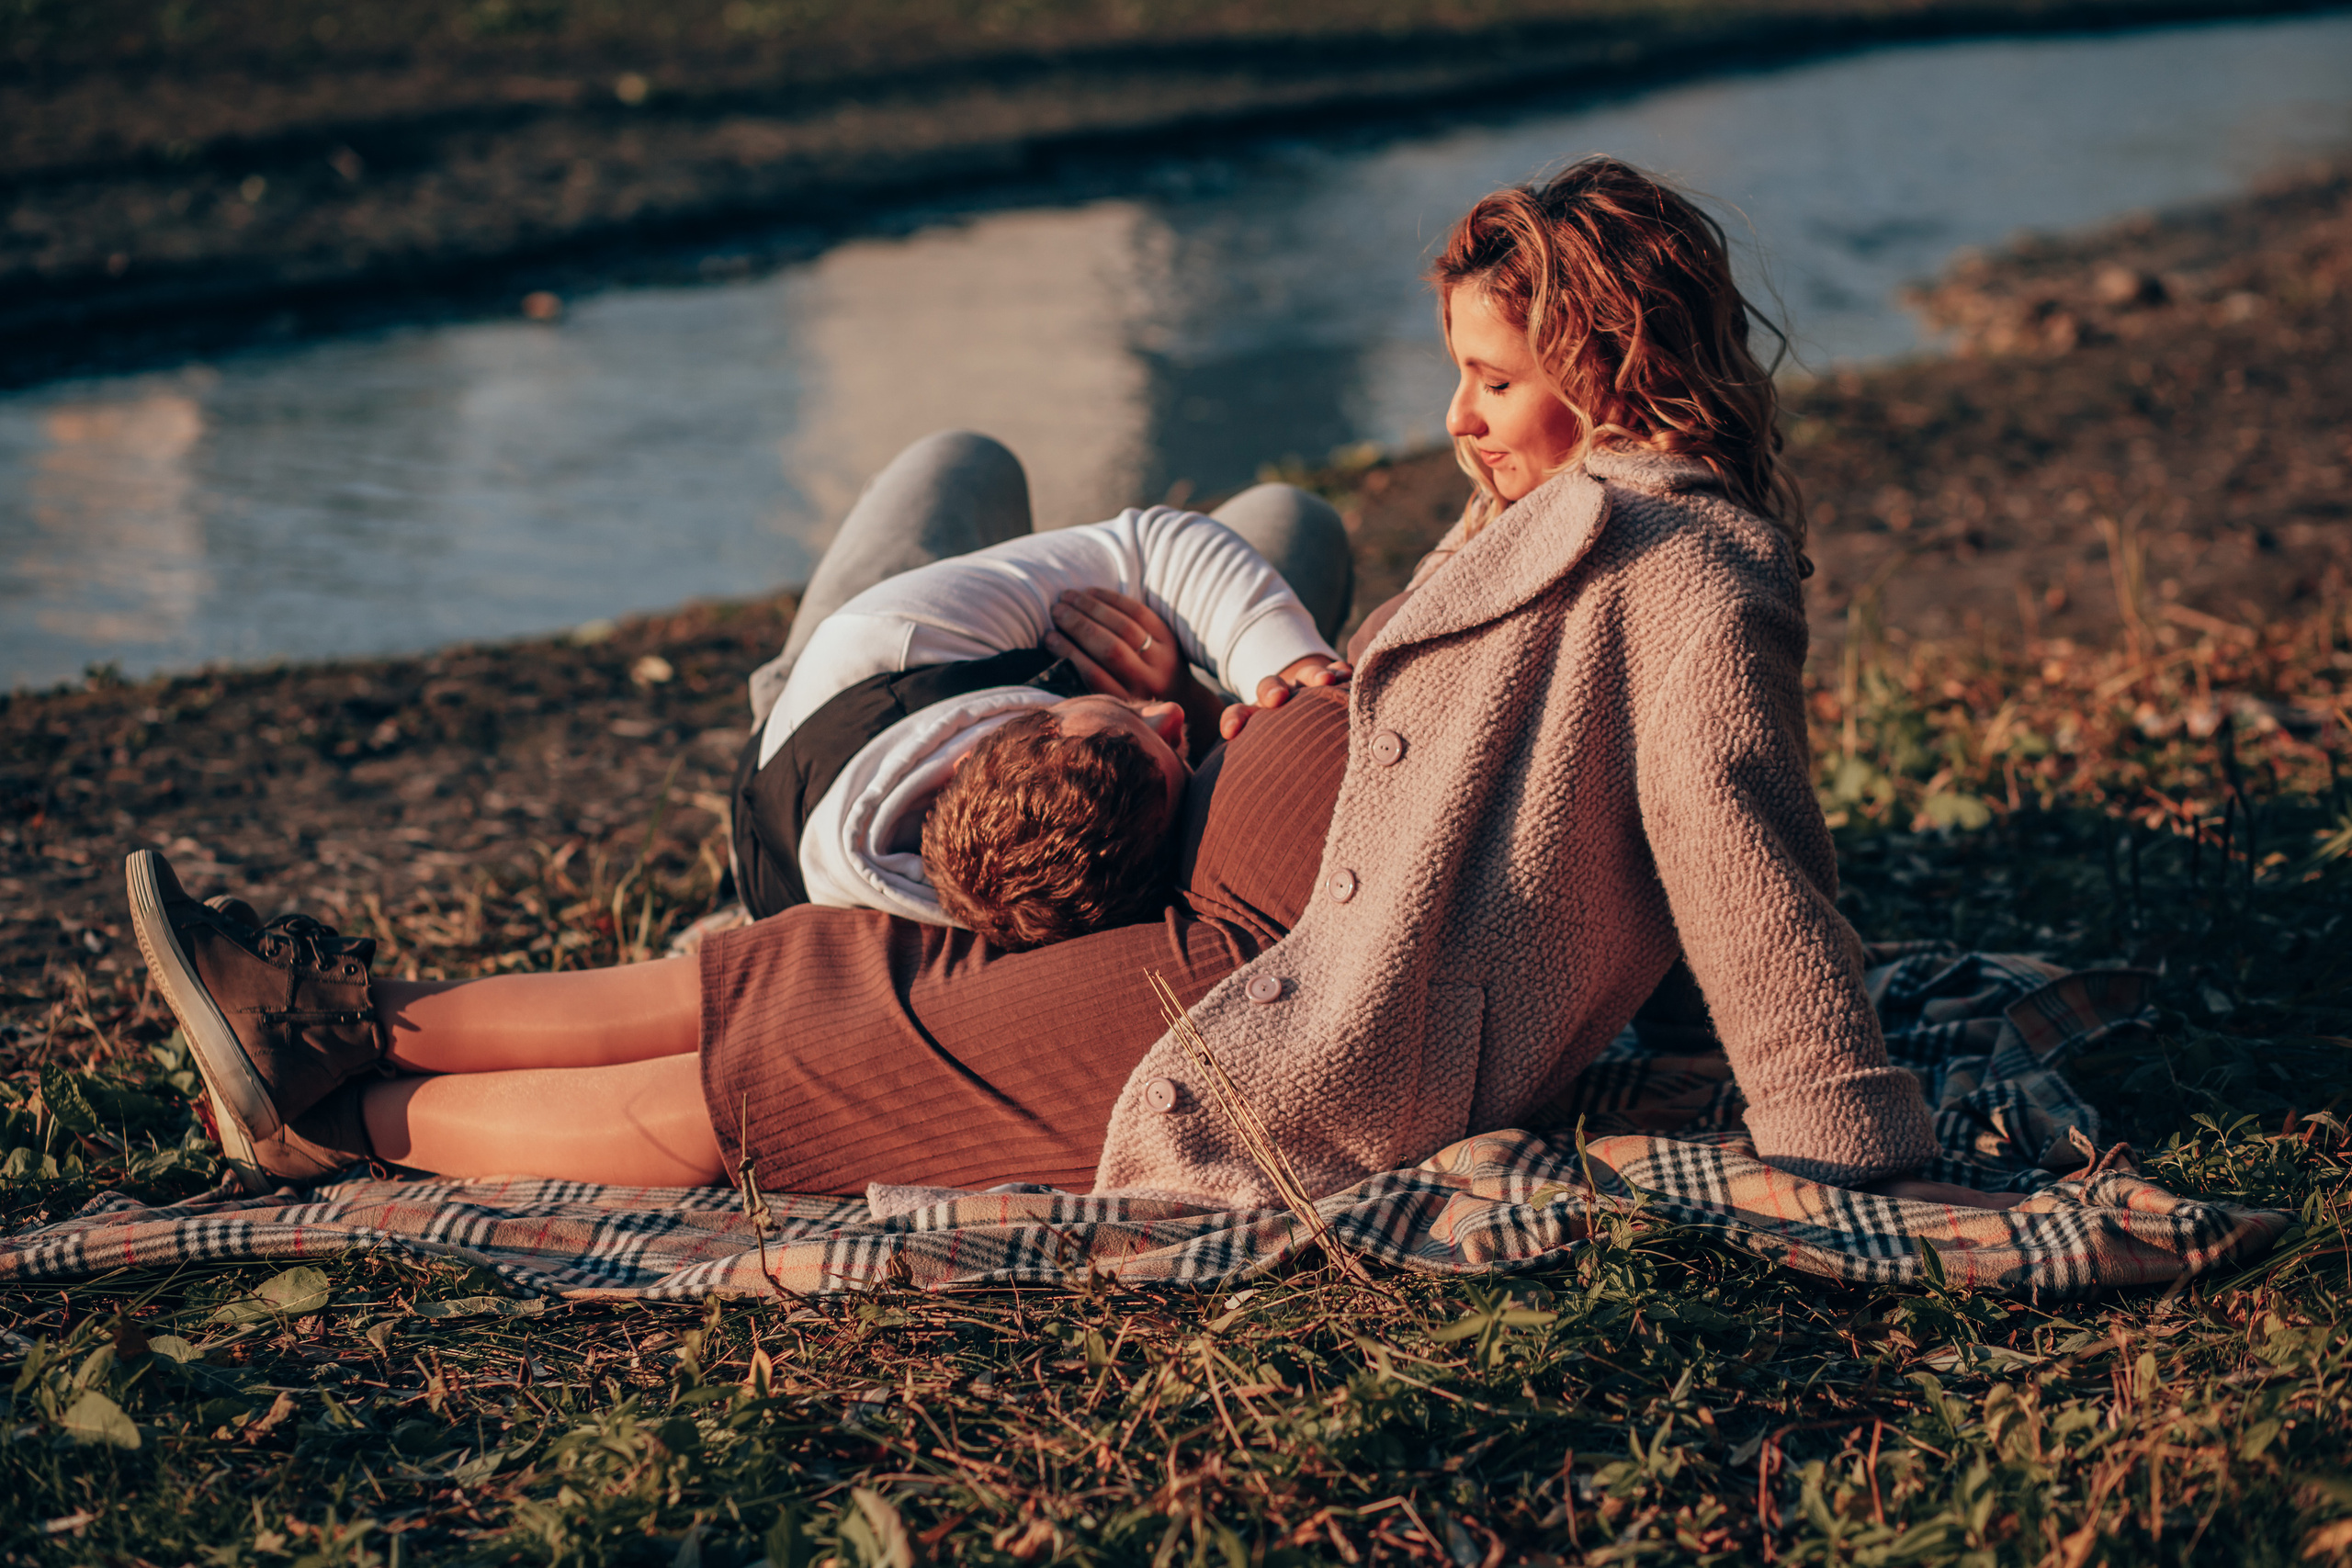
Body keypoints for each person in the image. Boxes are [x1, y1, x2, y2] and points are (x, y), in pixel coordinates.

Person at [130, 157, 2014, 1212]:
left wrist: (1839, 1123)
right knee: (801, 968)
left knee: (803, 1069)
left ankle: (340, 1122)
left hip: (1275, 1010)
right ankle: (346, 1010)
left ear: (1614, 356)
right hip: (1244, 916)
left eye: (1496, 381)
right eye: (1454, 372)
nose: (1454, 425)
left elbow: (1724, 834)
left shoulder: (1686, 560)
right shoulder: (1603, 516)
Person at [724, 430, 1347, 948]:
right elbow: (1156, 558)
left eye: (1138, 721)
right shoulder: (1077, 893)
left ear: (964, 762)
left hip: (823, 697)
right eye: (1177, 749)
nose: (1168, 713)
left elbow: (1157, 544)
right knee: (1295, 519)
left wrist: (1269, 664)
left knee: (964, 458)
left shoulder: (899, 636)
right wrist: (1242, 684)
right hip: (826, 775)